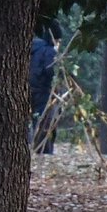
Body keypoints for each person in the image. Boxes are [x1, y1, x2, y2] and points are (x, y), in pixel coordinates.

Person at [28, 20, 61, 154]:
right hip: (44, 91)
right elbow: (51, 72)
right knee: (44, 121)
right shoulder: (49, 51)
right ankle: (43, 150)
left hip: (29, 88)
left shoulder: (32, 48)